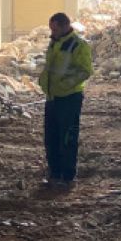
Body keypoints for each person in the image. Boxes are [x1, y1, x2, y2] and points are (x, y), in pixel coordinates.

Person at [38, 13, 92, 189]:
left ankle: (68, 177)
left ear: (64, 26)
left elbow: (85, 70)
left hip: (69, 97)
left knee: (67, 137)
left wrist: (64, 86)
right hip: (53, 97)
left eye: (54, 29)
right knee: (51, 137)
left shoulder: (78, 45)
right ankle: (54, 173)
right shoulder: (55, 42)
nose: (52, 32)